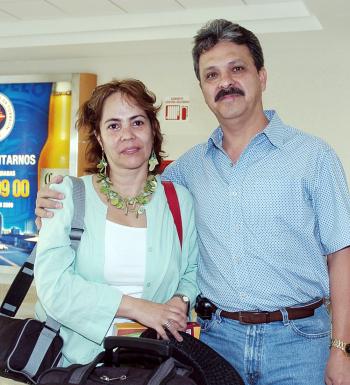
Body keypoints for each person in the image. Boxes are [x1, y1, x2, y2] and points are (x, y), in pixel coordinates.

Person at [35, 20, 350, 384]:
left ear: (261, 77)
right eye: (211, 75)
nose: (225, 82)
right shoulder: (187, 172)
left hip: (298, 342)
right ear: (202, 88)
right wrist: (51, 206)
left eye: (237, 68)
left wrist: (341, 347)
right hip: (219, 341)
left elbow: (342, 252)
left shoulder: (313, 157)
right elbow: (128, 191)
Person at [34, 79, 199, 366]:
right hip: (76, 363)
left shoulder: (178, 200)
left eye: (137, 122)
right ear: (98, 137)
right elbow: (54, 287)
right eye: (113, 125)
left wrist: (181, 300)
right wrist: (139, 309)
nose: (127, 135)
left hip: (153, 364)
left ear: (152, 130)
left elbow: (193, 270)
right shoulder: (67, 196)